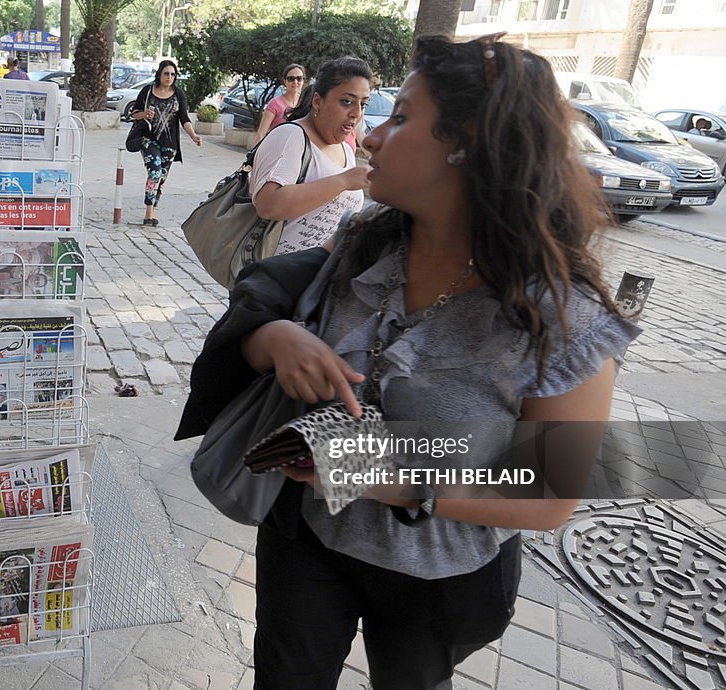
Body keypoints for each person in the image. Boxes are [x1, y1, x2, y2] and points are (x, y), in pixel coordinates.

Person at [176, 33, 640, 689]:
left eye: (400, 118)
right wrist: (273, 338)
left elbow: (548, 491)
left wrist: (365, 467)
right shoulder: (365, 243)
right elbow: (260, 313)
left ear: (466, 141)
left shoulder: (568, 318)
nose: (369, 137)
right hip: (307, 540)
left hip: (440, 575)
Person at [250, 56, 372, 255]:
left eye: (363, 104)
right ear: (318, 101)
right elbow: (267, 205)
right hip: (275, 278)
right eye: (347, 101)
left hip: (318, 278)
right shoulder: (291, 136)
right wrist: (343, 181)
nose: (356, 113)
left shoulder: (346, 150)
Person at [130, 59, 202, 227]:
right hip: (149, 140)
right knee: (154, 172)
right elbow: (134, 113)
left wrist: (193, 136)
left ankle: (153, 208)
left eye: (172, 74)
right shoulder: (148, 91)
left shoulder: (178, 94)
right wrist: (144, 114)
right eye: (166, 73)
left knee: (161, 178)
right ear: (160, 74)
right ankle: (149, 213)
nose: (169, 77)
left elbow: (184, 118)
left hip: (170, 145)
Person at [254, 64, 307, 144]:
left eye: (299, 78)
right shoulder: (275, 104)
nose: (295, 82)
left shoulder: (304, 104)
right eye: (291, 79)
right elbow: (261, 133)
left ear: (303, 81)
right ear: (285, 81)